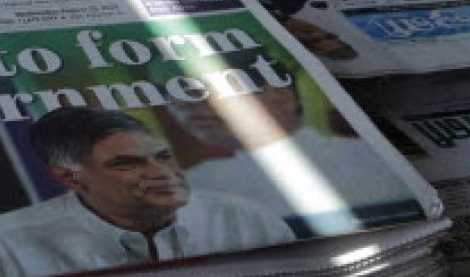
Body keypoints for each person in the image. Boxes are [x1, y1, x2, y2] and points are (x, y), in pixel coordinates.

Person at [0, 107, 293, 277]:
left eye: (163, 157)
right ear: (70, 178)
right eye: (126, 164)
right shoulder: (0, 242)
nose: (160, 173)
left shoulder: (245, 218)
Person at [164, 82, 417, 226]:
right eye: (173, 99)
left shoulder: (373, 158)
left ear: (283, 96)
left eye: (201, 92)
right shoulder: (193, 185)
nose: (185, 107)